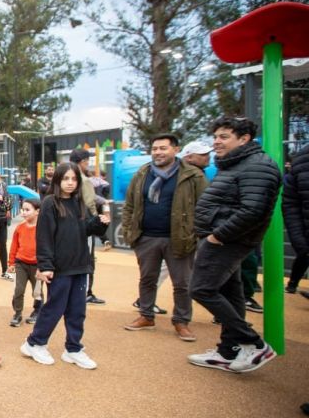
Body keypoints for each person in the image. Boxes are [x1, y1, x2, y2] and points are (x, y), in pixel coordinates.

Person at [186, 117, 280, 373]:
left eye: (224, 136)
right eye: (216, 136)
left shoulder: (256, 166)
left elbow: (253, 210)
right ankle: (229, 351)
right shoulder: (236, 165)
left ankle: (253, 342)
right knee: (230, 292)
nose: (217, 141)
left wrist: (218, 236)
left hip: (226, 241)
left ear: (244, 138)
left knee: (201, 289)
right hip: (224, 238)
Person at [20, 163, 110, 369]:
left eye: (74, 179)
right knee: (55, 307)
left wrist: (100, 223)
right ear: (58, 180)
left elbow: (84, 229)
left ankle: (73, 348)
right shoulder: (50, 203)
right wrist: (45, 265)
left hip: (80, 264)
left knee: (77, 309)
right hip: (59, 267)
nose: (70, 183)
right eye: (66, 179)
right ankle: (35, 342)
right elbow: (44, 237)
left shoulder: (79, 202)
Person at [122, 134, 207, 342]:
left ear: (176, 150)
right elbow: (130, 205)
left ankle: (181, 321)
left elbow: (205, 207)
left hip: (179, 238)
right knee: (148, 279)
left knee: (182, 283)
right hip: (147, 238)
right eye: (154, 148)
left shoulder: (193, 176)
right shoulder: (142, 174)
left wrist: (195, 233)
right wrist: (129, 231)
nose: (158, 152)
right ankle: (146, 315)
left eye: (163, 148)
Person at [68, 148, 106, 305]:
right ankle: (86, 292)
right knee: (88, 259)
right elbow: (90, 203)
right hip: (84, 223)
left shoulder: (65, 177)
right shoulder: (83, 180)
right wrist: (97, 221)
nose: (88, 165)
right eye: (86, 162)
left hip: (69, 224)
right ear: (81, 162)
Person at [8, 199, 43, 327]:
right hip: (21, 263)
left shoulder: (42, 228)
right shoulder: (20, 228)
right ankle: (17, 313)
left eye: (27, 210)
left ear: (37, 212)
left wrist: (46, 264)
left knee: (37, 291)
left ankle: (37, 311)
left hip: (38, 266)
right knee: (18, 290)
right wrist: (11, 263)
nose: (23, 212)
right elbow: (14, 246)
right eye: (23, 209)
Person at [284, 143, 309, 297]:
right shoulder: (301, 159)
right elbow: (291, 203)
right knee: (303, 256)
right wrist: (299, 239)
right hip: (305, 237)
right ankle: (293, 283)